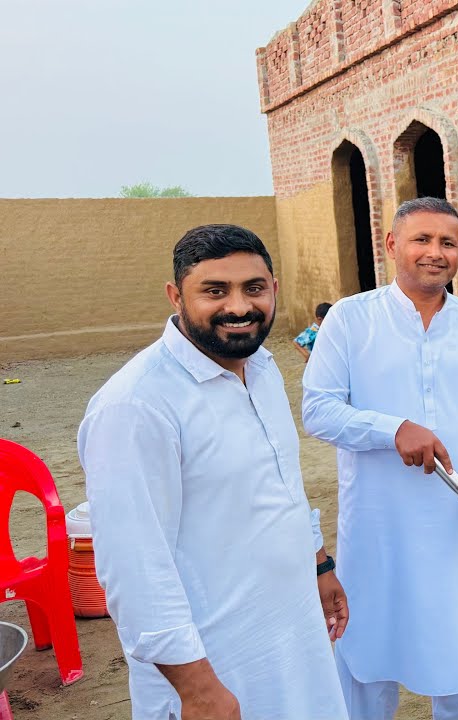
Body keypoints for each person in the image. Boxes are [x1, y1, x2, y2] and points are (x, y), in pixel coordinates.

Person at [78, 224, 347, 720]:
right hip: (214, 659)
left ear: (274, 290)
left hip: (291, 629)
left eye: (254, 288)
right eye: (215, 290)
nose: (240, 307)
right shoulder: (137, 404)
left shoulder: (261, 366)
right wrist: (197, 688)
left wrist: (319, 562)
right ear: (175, 296)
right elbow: (133, 564)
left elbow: (283, 484)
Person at [302, 197, 458, 720]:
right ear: (392, 245)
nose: (435, 253)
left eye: (447, 243)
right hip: (379, 520)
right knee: (369, 645)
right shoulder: (351, 319)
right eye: (422, 240)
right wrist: (391, 428)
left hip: (457, 518)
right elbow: (318, 410)